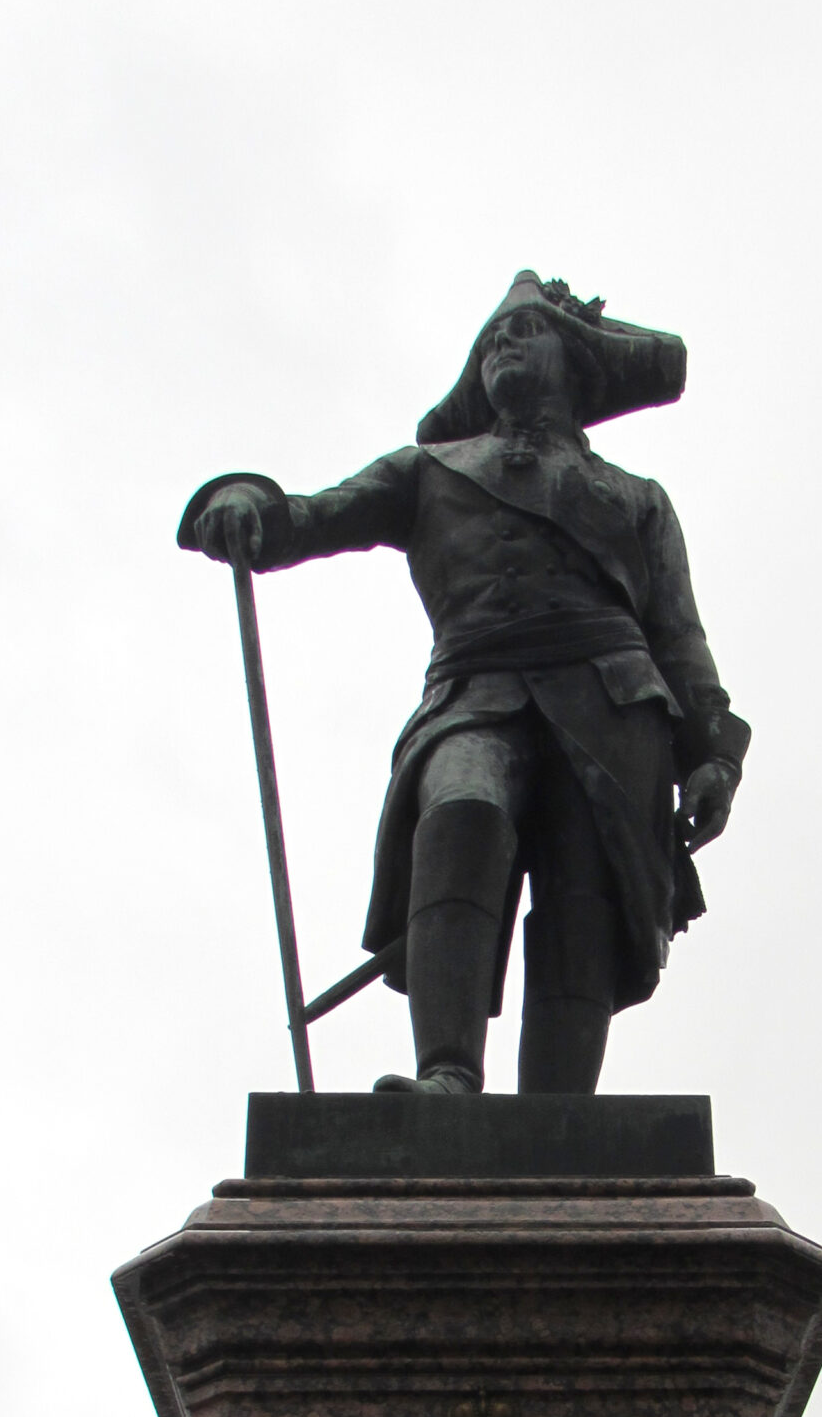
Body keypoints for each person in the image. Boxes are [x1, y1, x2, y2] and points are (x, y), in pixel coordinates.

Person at [179, 273, 748, 1094]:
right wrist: (247, 504)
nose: (502, 348)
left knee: (583, 899)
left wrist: (713, 754)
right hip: (474, 691)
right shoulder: (429, 471)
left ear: (574, 360)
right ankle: (447, 1076)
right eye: (490, 341)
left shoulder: (637, 499)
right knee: (463, 810)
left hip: (615, 708)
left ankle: (556, 1117)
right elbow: (312, 515)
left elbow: (680, 636)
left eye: (525, 333)